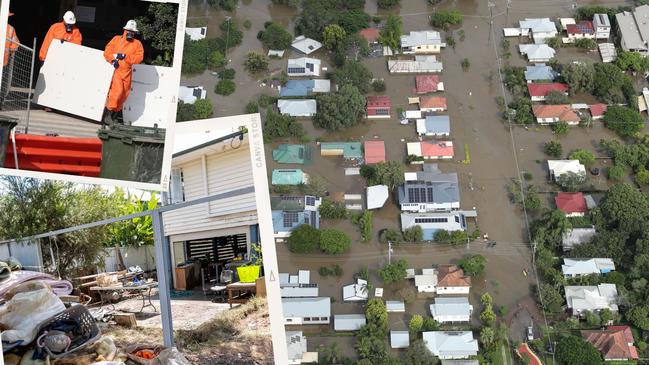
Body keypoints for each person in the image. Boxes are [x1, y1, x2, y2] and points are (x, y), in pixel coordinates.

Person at [102, 20, 143, 124]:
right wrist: (113, 60)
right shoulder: (116, 39)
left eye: (132, 31)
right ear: (124, 30)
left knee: (124, 94)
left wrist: (125, 56)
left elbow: (139, 58)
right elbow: (107, 51)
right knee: (117, 92)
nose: (130, 33)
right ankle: (108, 115)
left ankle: (114, 116)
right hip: (117, 71)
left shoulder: (137, 44)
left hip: (127, 72)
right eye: (129, 31)